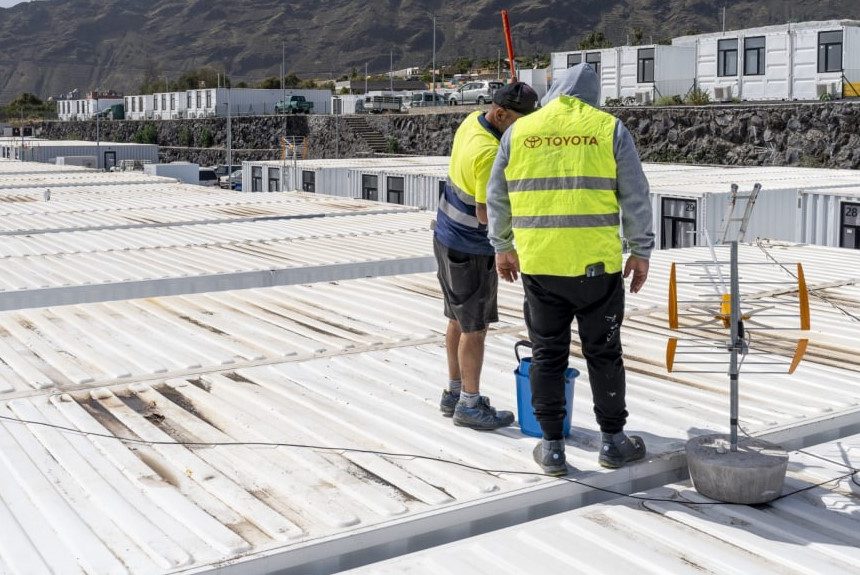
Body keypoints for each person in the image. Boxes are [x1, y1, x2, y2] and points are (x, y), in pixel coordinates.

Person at [486, 64, 654, 474]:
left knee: (547, 355)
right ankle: (613, 442)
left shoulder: (518, 132)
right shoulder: (609, 129)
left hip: (540, 266)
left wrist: (502, 246)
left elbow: (497, 195)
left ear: (556, 89)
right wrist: (640, 250)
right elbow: (635, 195)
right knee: (604, 353)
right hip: (597, 270)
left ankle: (552, 448)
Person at [434, 81, 539, 430]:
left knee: (457, 320)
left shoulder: (472, 121)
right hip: (470, 248)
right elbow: (485, 214)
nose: (525, 129)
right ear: (501, 114)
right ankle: (469, 404)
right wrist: (512, 241)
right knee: (475, 328)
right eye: (521, 122)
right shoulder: (489, 154)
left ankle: (454, 392)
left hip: (446, 237)